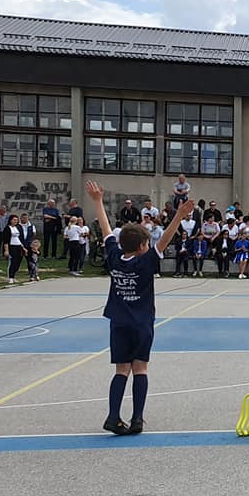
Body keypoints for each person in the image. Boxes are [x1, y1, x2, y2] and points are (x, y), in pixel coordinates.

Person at [86, 180, 195, 435]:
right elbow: (165, 240)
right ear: (144, 246)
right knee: (141, 368)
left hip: (119, 322)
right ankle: (137, 418)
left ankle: (113, 416)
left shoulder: (114, 256)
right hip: (141, 322)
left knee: (121, 369)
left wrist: (98, 202)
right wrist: (178, 216)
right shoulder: (145, 263)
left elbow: (105, 230)